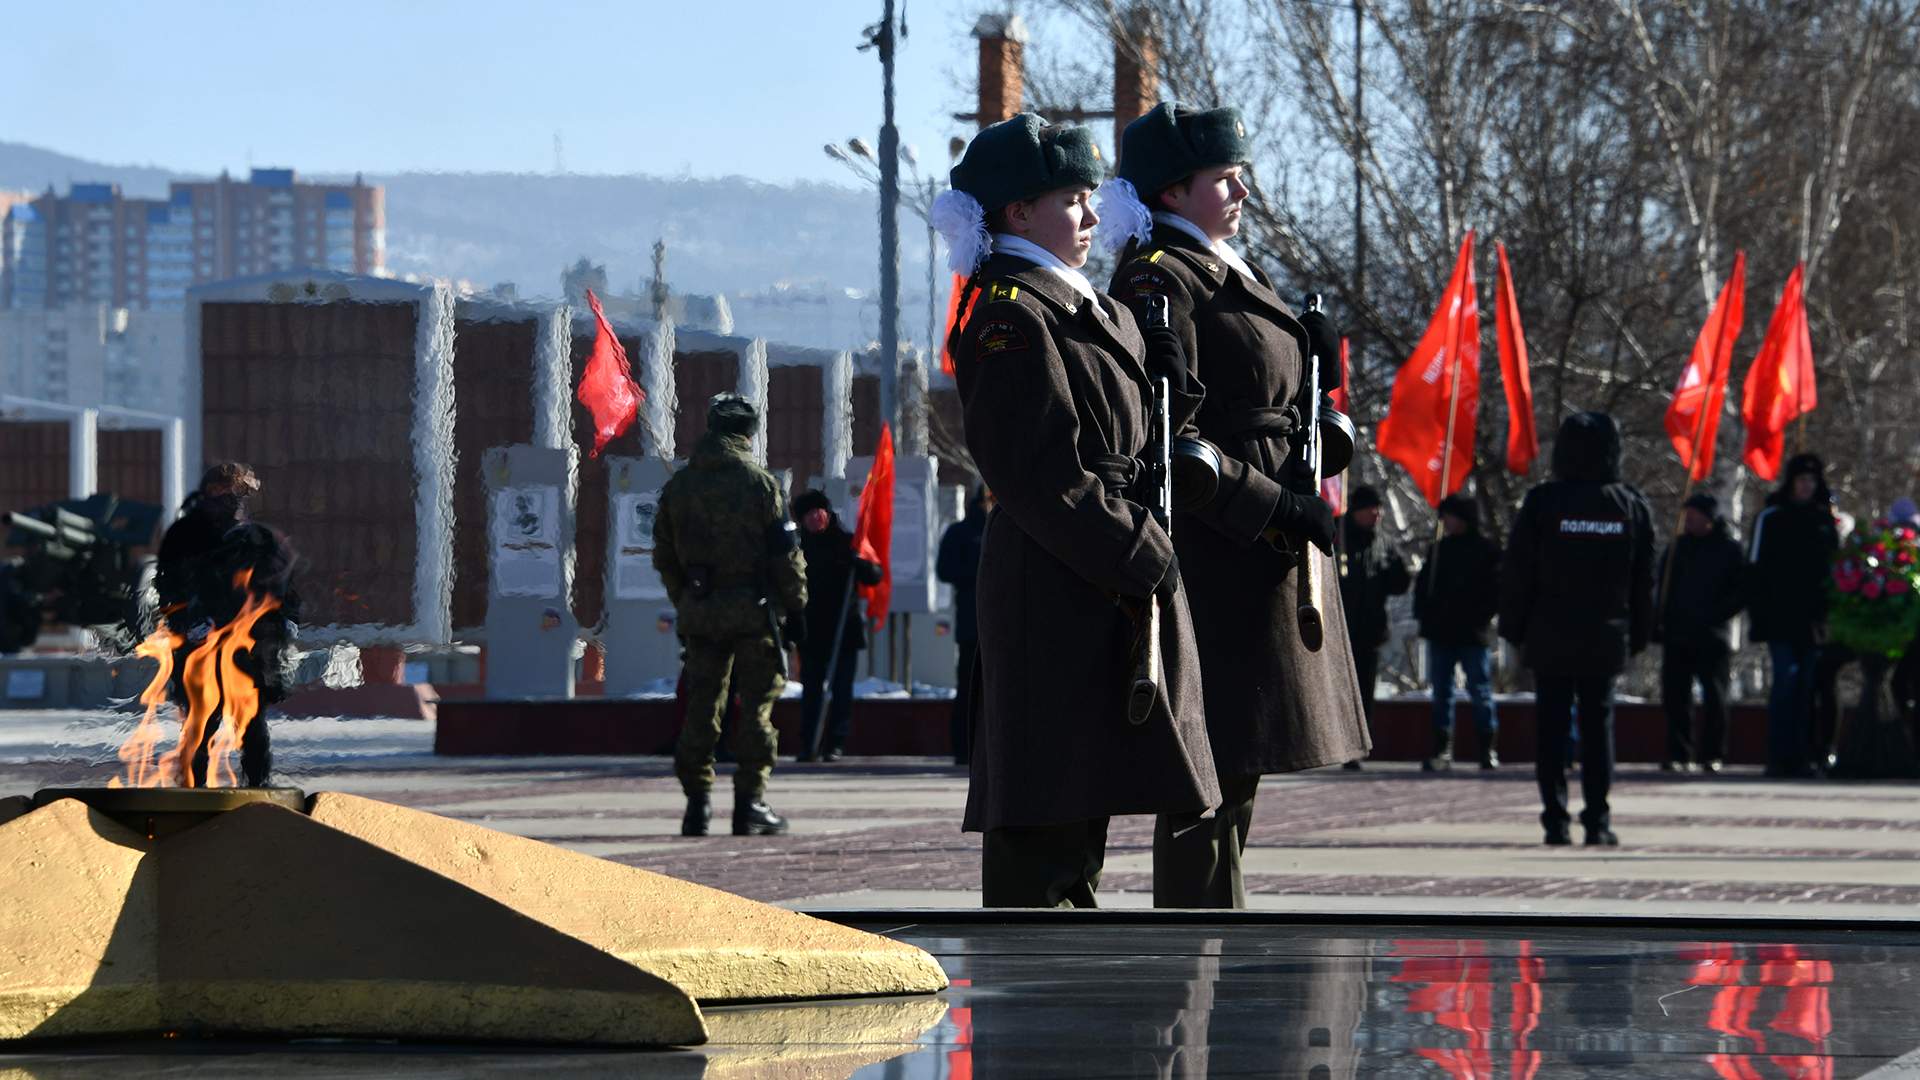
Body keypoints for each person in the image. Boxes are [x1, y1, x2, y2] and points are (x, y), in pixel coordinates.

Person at [937, 112, 1221, 907]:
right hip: (1055, 583)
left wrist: (1172, 375)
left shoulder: (1086, 305)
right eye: (1071, 199)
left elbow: (1138, 434)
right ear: (1018, 212)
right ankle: (1036, 1021)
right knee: (1045, 822)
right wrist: (1147, 555)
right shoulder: (1007, 315)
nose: (1093, 216)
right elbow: (1041, 477)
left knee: (1083, 807)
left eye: (1092, 197)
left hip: (1099, 574)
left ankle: (1071, 1020)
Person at [1105, 101, 1370, 907]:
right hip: (1221, 551)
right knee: (1208, 770)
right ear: (1173, 191)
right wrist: (1274, 508)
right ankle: (1197, 943)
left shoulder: (1226, 264)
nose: (1243, 190)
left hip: (1262, 545)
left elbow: (1272, 395)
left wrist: (1318, 379)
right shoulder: (1160, 275)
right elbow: (1173, 435)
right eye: (1225, 178)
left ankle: (1217, 929)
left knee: (1240, 765)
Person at [653, 394, 807, 837]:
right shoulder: (760, 484)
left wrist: (685, 597)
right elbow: (786, 555)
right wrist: (796, 607)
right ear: (748, 431)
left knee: (702, 706)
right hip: (754, 613)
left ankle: (697, 805)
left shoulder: (680, 486)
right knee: (757, 707)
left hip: (701, 612)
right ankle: (750, 803)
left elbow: (663, 553)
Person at [1499, 412, 1654, 847]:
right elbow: (1645, 580)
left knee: (1550, 728)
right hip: (1605, 637)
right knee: (1597, 729)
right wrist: (1640, 634)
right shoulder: (1630, 504)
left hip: (1550, 633)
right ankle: (1598, 821)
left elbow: (1517, 572)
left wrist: (1513, 628)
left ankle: (1555, 819)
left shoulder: (1543, 502)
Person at [154, 461, 300, 788]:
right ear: (209, 494)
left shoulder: (257, 538)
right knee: (202, 721)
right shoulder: (184, 536)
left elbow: (280, 586)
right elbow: (168, 587)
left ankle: (258, 790)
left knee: (251, 723)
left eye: (239, 496)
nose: (234, 503)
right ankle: (194, 789)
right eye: (226, 495)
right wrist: (185, 623)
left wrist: (287, 619)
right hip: (200, 645)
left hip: (250, 644)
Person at [1747, 453, 1840, 778]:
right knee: (1784, 684)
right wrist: (1758, 616)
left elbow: (1837, 569)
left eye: (1811, 481)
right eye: (1801, 480)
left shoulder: (1824, 521)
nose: (1806, 486)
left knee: (1807, 688)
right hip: (1780, 617)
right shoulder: (1772, 517)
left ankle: (1804, 755)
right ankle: (1778, 756)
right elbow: (1755, 569)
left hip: (1814, 620)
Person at [1655, 491, 1747, 774]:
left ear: (1709, 518)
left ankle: (1712, 754)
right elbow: (1662, 587)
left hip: (1712, 635)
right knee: (1675, 696)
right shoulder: (1676, 549)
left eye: (1695, 516)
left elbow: (1740, 591)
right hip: (1678, 634)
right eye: (1687, 516)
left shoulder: (1729, 550)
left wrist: (1716, 615)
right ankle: (1679, 752)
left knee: (1715, 697)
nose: (1689, 521)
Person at [791, 488, 882, 763]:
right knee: (812, 691)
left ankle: (835, 742)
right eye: (810, 513)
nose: (817, 517)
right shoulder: (798, 549)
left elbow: (875, 575)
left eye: (820, 511)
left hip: (845, 629)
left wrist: (861, 564)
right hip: (812, 631)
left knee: (842, 691)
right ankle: (810, 743)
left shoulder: (848, 543)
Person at [1414, 493, 1502, 771]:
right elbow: (1424, 587)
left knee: (1480, 689)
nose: (1446, 522)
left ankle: (1487, 748)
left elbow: (1495, 591)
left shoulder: (1486, 550)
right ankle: (1442, 749)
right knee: (1442, 692)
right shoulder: (1440, 550)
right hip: (1441, 631)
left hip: (1473, 633)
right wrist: (1426, 615)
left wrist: (1481, 616)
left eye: (1450, 516)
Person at [1337, 485, 1412, 769]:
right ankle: (1338, 742)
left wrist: (1396, 567)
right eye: (1372, 508)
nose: (1377, 514)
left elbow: (1399, 584)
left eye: (1379, 509)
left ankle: (1357, 747)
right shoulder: (1337, 535)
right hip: (1338, 628)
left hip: (1370, 630)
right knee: (1340, 688)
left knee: (1364, 689)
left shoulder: (1383, 543)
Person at [935, 486, 991, 766]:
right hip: (971, 622)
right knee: (968, 687)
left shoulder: (1009, 527)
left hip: (1002, 623)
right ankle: (962, 748)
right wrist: (979, 572)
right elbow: (944, 570)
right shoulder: (961, 532)